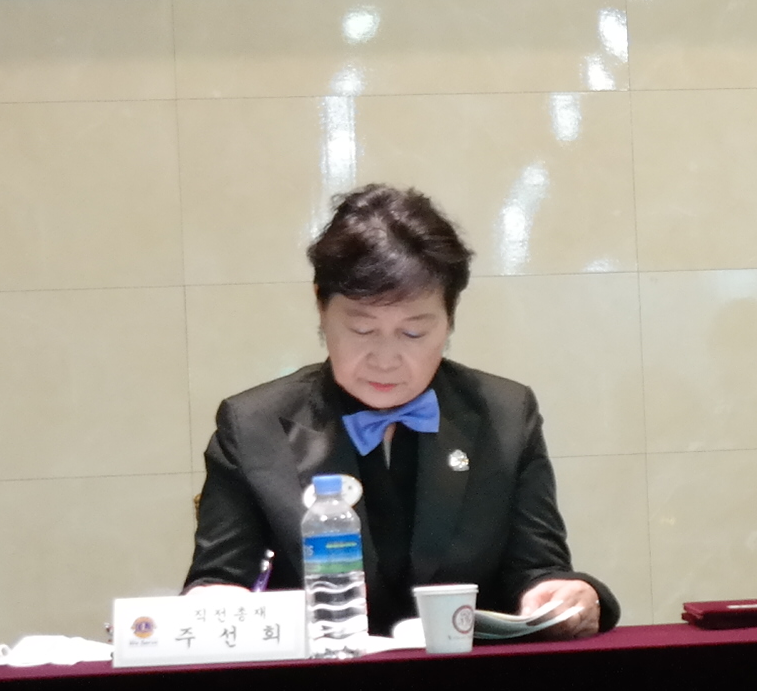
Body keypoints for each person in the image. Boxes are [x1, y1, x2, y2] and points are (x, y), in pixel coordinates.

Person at [185, 184, 615, 635]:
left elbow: (538, 569)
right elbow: (220, 578)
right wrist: (216, 600)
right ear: (320, 306)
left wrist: (562, 594)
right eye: (362, 329)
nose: (386, 359)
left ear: (449, 319)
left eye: (413, 333)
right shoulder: (253, 426)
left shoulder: (506, 415)